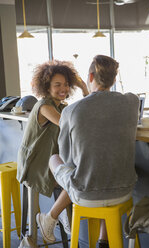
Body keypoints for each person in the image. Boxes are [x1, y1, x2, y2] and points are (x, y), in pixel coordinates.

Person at [36, 55, 139, 248]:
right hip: (125, 191)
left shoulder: (71, 111)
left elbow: (67, 160)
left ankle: (51, 217)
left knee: (54, 158)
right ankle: (103, 240)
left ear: (90, 76)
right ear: (114, 80)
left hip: (86, 194)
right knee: (104, 169)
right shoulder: (132, 103)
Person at [17, 60, 89, 246]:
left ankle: (57, 215)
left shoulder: (61, 106)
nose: (63, 88)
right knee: (77, 178)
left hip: (48, 161)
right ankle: (56, 215)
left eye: (66, 84)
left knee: (77, 174)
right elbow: (70, 124)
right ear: (46, 86)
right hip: (35, 164)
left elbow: (85, 114)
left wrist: (83, 88)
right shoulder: (45, 106)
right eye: (57, 85)